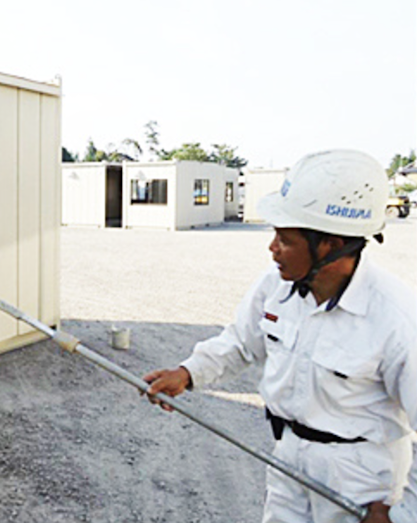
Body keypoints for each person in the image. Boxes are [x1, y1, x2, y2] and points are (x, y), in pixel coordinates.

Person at [143, 149, 417, 523]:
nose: (272, 248)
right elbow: (240, 343)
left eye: (285, 239)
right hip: (288, 459)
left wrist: (402, 513)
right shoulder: (275, 287)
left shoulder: (396, 317)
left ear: (331, 245)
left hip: (362, 483)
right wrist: (188, 373)